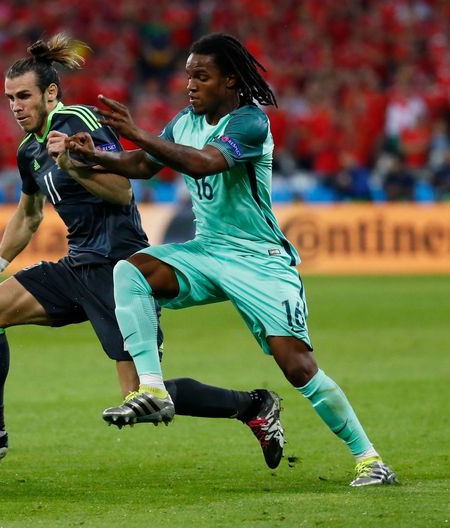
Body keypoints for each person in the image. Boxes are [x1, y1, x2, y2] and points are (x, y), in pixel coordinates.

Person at [0, 34, 286, 469]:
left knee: (141, 398)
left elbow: (119, 191)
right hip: (77, 265)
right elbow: (28, 214)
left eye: (24, 96)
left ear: (50, 93)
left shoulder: (80, 122)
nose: (15, 106)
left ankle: (253, 406)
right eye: (9, 98)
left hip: (119, 268)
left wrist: (72, 163)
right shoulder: (28, 151)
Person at [63, 33, 397, 487]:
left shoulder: (250, 124)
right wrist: (93, 157)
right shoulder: (185, 120)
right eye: (188, 76)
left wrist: (136, 131)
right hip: (208, 250)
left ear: (231, 80)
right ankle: (154, 388)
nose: (190, 86)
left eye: (201, 76)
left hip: (259, 259)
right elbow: (143, 166)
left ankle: (370, 459)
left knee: (296, 365)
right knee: (132, 270)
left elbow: (203, 163)